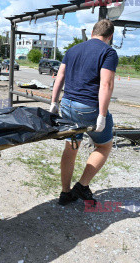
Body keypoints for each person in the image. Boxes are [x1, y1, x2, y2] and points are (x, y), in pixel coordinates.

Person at [49, 19, 118, 206]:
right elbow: (106, 84)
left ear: (92, 32)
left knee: (71, 147)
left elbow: (60, 76)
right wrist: (102, 115)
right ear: (110, 36)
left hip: (67, 105)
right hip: (88, 108)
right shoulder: (108, 52)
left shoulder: (72, 50)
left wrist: (54, 102)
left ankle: (65, 193)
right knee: (103, 146)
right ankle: (82, 185)